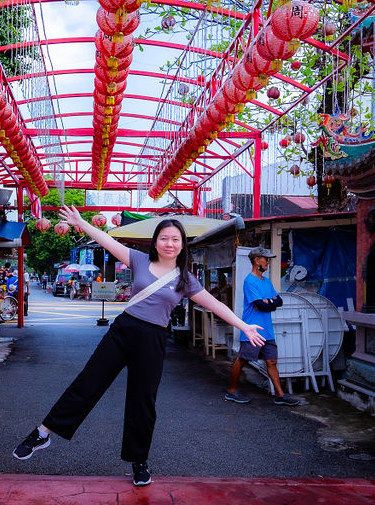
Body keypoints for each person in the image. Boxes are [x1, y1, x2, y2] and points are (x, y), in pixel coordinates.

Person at [13, 204, 266, 487]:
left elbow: (215, 304)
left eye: (175, 239)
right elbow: (106, 240)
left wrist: (243, 326)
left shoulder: (186, 279)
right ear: (155, 242)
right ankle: (43, 433)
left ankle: (139, 460)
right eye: (164, 238)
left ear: (182, 245)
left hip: (153, 339)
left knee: (142, 400)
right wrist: (81, 223)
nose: (169, 243)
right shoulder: (139, 260)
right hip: (124, 330)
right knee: (89, 381)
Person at [224, 246, 301, 406]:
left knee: (271, 361)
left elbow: (279, 301)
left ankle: (280, 395)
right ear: (256, 260)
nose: (268, 262)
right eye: (266, 259)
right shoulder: (249, 281)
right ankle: (231, 391)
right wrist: (268, 303)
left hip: (267, 330)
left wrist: (268, 302)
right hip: (252, 330)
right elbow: (261, 305)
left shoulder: (266, 281)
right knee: (242, 360)